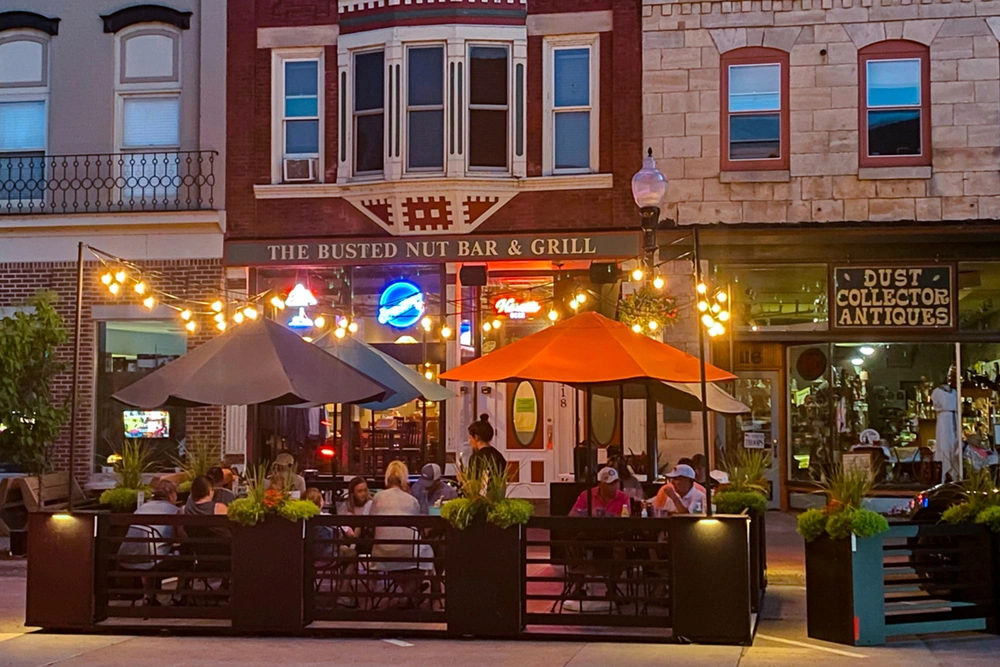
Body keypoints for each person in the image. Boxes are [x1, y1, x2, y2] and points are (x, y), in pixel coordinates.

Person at [369, 461, 434, 608]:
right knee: (426, 553)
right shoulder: (411, 500)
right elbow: (417, 525)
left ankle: (410, 593)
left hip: (382, 551)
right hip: (406, 550)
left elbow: (371, 522)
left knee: (393, 561)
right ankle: (408, 595)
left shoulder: (378, 498)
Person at [117, 479, 181, 605]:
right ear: (171, 495)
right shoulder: (175, 511)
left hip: (127, 556)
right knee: (186, 558)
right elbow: (181, 537)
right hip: (152, 560)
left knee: (150, 551)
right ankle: (179, 597)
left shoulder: (141, 508)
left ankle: (149, 596)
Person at [932, 366, 960, 482]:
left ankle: (954, 473)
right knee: (944, 444)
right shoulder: (937, 391)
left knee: (954, 445)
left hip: (953, 418)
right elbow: (936, 404)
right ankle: (945, 472)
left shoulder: (954, 391)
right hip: (945, 420)